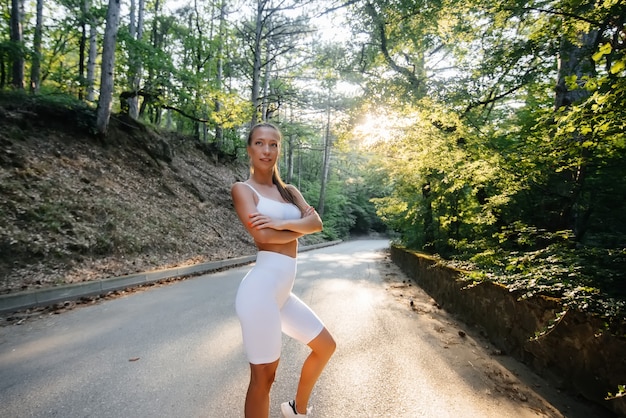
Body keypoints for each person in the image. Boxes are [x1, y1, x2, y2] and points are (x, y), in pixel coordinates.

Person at [231, 122, 336, 418]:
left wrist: (279, 223)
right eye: (260, 143)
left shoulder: (290, 192)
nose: (267, 150)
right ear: (249, 148)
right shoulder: (243, 190)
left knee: (326, 346)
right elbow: (262, 238)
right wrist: (297, 227)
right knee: (263, 378)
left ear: (279, 149)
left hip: (283, 295)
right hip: (259, 292)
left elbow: (317, 224)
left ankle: (297, 410)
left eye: (273, 144)